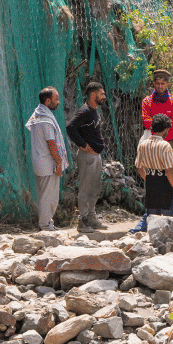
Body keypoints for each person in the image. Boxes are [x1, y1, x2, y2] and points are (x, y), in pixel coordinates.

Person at [66, 81, 108, 233]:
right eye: (101, 94)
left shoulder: (93, 110)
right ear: (92, 95)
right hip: (87, 157)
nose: (104, 96)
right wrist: (82, 145)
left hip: (95, 156)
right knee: (86, 188)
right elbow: (70, 127)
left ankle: (92, 218)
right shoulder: (84, 111)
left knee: (95, 187)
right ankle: (82, 221)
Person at [26, 87, 68, 231]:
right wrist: (58, 161)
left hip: (40, 161)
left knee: (45, 195)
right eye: (56, 99)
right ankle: (45, 226)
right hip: (47, 162)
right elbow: (51, 142)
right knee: (48, 197)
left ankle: (46, 224)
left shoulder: (38, 115)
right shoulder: (45, 119)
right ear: (48, 100)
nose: (58, 102)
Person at [130, 114, 173, 233]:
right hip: (165, 184)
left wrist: (149, 179)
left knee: (151, 217)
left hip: (151, 182)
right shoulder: (165, 146)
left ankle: (135, 233)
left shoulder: (143, 145)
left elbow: (139, 168)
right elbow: (169, 171)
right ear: (165, 129)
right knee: (172, 219)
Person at [141, 69, 173, 167]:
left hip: (171, 141)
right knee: (154, 170)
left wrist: (156, 126)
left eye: (163, 83)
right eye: (158, 83)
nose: (160, 86)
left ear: (167, 84)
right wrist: (166, 124)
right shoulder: (147, 101)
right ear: (154, 84)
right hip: (153, 143)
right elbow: (146, 122)